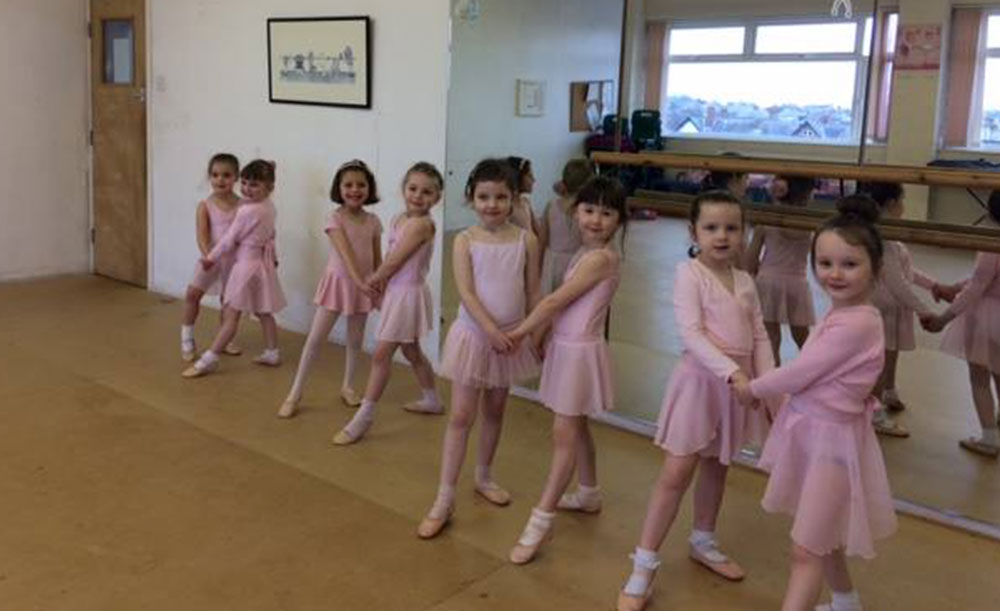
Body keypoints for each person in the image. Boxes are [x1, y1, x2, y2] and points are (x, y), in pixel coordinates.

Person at [732, 195, 898, 611]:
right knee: (821, 535)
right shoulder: (842, 313)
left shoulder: (859, 322)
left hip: (831, 442)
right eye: (825, 264)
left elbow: (802, 371)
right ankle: (845, 602)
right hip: (815, 434)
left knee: (805, 549)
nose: (835, 274)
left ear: (875, 269)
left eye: (849, 264)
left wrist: (754, 388)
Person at [616, 191, 774, 611]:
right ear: (694, 232)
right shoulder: (690, 273)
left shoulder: (746, 281)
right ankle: (643, 564)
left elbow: (759, 335)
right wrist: (734, 372)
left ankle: (704, 539)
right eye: (711, 228)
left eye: (731, 228)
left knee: (718, 465)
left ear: (743, 232)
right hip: (701, 384)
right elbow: (690, 333)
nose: (722, 236)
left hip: (736, 389)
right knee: (676, 471)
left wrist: (768, 383)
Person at [417, 158, 541, 539]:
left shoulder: (526, 239)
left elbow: (534, 290)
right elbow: (466, 293)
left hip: (511, 337)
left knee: (496, 410)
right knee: (460, 416)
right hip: (475, 336)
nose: (492, 204)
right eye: (484, 197)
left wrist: (532, 332)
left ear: (514, 199)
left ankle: (484, 476)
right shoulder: (465, 240)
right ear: (472, 198)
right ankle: (444, 496)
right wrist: (489, 330)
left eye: (501, 197)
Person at [505, 176, 626, 564]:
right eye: (590, 210)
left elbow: (557, 300)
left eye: (607, 213)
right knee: (577, 425)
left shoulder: (601, 258)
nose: (596, 220)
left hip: (579, 355)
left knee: (564, 434)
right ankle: (589, 492)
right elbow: (564, 309)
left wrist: (522, 331)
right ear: (576, 212)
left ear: (620, 221)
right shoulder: (582, 253)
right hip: (567, 348)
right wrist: (541, 335)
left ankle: (541, 518)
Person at [331, 162, 444, 445]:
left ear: (437, 197)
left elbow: (396, 260)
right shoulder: (398, 219)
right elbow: (388, 255)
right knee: (412, 350)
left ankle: (364, 417)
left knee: (381, 355)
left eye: (427, 192)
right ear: (404, 189)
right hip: (397, 293)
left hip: (407, 295)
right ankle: (432, 399)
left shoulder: (422, 224)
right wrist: (381, 285)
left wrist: (374, 280)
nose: (418, 196)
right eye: (413, 189)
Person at [278, 160, 382, 418]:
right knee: (315, 340)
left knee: (355, 339)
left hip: (364, 285)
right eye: (348, 185)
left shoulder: (373, 221)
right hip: (339, 284)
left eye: (361, 184)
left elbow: (378, 259)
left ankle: (348, 385)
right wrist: (361, 282)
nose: (355, 190)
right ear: (339, 188)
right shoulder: (334, 218)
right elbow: (346, 255)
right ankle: (295, 393)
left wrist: (380, 283)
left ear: (369, 188)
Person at [183, 160, 286, 378]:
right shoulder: (269, 206)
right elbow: (271, 235)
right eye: (246, 183)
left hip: (245, 266)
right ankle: (272, 351)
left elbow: (230, 239)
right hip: (261, 265)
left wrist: (210, 258)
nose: (248, 189)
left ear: (269, 187)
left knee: (231, 314)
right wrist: (274, 258)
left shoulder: (247, 210)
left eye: (255, 185)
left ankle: (208, 359)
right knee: (263, 311)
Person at [921, 191, 1000, 458]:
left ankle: (989, 439)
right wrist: (953, 287)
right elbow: (981, 280)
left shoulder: (991, 241)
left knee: (979, 378)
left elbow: (978, 287)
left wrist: (944, 318)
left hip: (986, 318)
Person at [745, 176, 817, 364]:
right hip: (796, 283)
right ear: (806, 195)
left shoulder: (766, 222)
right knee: (803, 337)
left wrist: (758, 270)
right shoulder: (809, 224)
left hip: (767, 281)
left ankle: (772, 377)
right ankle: (814, 371)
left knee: (770, 338)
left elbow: (750, 261)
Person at [180, 153, 242, 362]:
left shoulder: (244, 207)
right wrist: (209, 256)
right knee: (192, 295)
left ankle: (225, 339)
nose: (220, 180)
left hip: (235, 262)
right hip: (211, 259)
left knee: (230, 302)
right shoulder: (205, 205)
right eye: (215, 175)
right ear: (210, 177)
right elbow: (202, 236)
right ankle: (187, 337)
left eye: (226, 175)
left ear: (236, 177)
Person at [538, 159, 594, 293]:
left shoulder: (551, 206)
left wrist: (538, 268)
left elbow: (542, 241)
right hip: (579, 262)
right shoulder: (589, 210)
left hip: (553, 263)